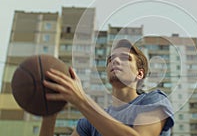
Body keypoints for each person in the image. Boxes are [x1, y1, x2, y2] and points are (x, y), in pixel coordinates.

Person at [40, 39, 174, 136]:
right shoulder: (89, 123)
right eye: (111, 59)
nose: (115, 61)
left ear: (139, 73)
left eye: (125, 58)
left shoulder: (154, 100)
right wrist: (49, 113)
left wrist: (81, 99)